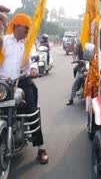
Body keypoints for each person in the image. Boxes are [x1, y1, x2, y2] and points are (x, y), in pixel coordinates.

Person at [0, 13, 49, 164]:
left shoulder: (28, 43)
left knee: (32, 111)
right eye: (26, 28)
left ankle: (41, 148)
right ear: (17, 26)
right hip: (2, 83)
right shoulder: (5, 41)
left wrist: (34, 68)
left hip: (21, 81)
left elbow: (32, 55)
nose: (28, 31)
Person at [66, 40, 85, 106]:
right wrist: (74, 60)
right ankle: (71, 99)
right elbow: (74, 53)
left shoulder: (91, 43)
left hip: (90, 66)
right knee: (76, 81)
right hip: (81, 67)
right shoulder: (79, 45)